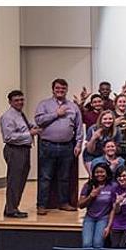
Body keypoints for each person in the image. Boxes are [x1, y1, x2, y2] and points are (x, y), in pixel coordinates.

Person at [34, 78, 83, 214]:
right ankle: (42, 205)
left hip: (67, 147)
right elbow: (39, 120)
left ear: (66, 90)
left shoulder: (73, 106)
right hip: (47, 146)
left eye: (63, 88)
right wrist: (56, 114)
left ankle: (64, 203)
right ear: (53, 89)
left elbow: (79, 127)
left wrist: (79, 144)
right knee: (45, 177)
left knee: (64, 177)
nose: (60, 90)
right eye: (57, 88)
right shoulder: (44, 104)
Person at [0, 89, 41, 218]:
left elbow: (22, 127)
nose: (20, 102)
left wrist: (32, 126)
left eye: (21, 99)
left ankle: (11, 207)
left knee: (20, 180)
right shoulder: (8, 117)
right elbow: (9, 137)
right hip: (15, 150)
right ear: (10, 102)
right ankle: (11, 210)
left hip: (24, 149)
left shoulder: (20, 114)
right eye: (16, 100)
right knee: (15, 181)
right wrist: (30, 133)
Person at [77, 163, 115, 250]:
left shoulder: (113, 186)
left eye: (102, 172)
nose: (99, 174)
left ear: (107, 173)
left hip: (103, 218)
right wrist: (91, 196)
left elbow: (113, 208)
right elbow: (80, 205)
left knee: (98, 244)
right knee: (86, 244)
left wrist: (109, 226)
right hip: (89, 217)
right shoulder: (88, 185)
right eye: (97, 172)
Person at [104, 166, 126, 248]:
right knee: (115, 246)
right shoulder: (115, 189)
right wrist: (118, 203)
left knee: (123, 246)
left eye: (124, 176)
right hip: (117, 222)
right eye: (119, 176)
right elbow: (116, 211)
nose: (121, 178)